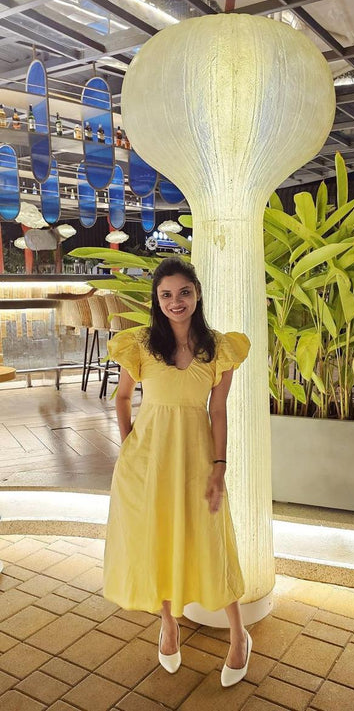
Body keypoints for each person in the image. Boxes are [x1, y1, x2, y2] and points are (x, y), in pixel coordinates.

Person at [103, 256, 252, 687]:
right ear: (157, 298)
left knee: (211, 540)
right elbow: (122, 398)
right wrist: (130, 443)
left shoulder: (219, 348)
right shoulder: (142, 345)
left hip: (197, 458)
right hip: (147, 460)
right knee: (159, 536)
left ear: (197, 294)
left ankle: (239, 635)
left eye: (183, 292)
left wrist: (220, 466)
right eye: (166, 294)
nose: (175, 301)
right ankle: (168, 622)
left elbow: (218, 411)